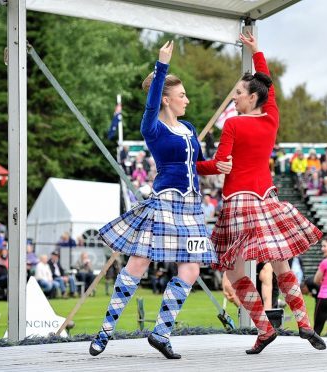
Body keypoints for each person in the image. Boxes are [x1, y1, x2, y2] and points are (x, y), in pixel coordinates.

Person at [90, 41, 233, 359]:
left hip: (193, 208)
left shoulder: (190, 128)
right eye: (182, 95)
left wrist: (217, 166)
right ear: (166, 99)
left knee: (192, 269)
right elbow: (151, 104)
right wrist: (162, 65)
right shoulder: (152, 127)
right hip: (166, 202)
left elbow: (197, 164)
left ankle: (161, 332)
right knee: (138, 262)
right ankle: (105, 331)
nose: (188, 100)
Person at [202, 32, 325, 354]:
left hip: (239, 202)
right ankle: (304, 323)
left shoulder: (233, 124)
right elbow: (269, 87)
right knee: (281, 263)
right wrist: (257, 53)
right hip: (267, 199)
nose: (235, 98)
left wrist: (189, 164)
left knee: (233, 269)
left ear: (251, 98)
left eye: (239, 93)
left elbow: (219, 165)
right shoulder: (271, 119)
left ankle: (264, 327)